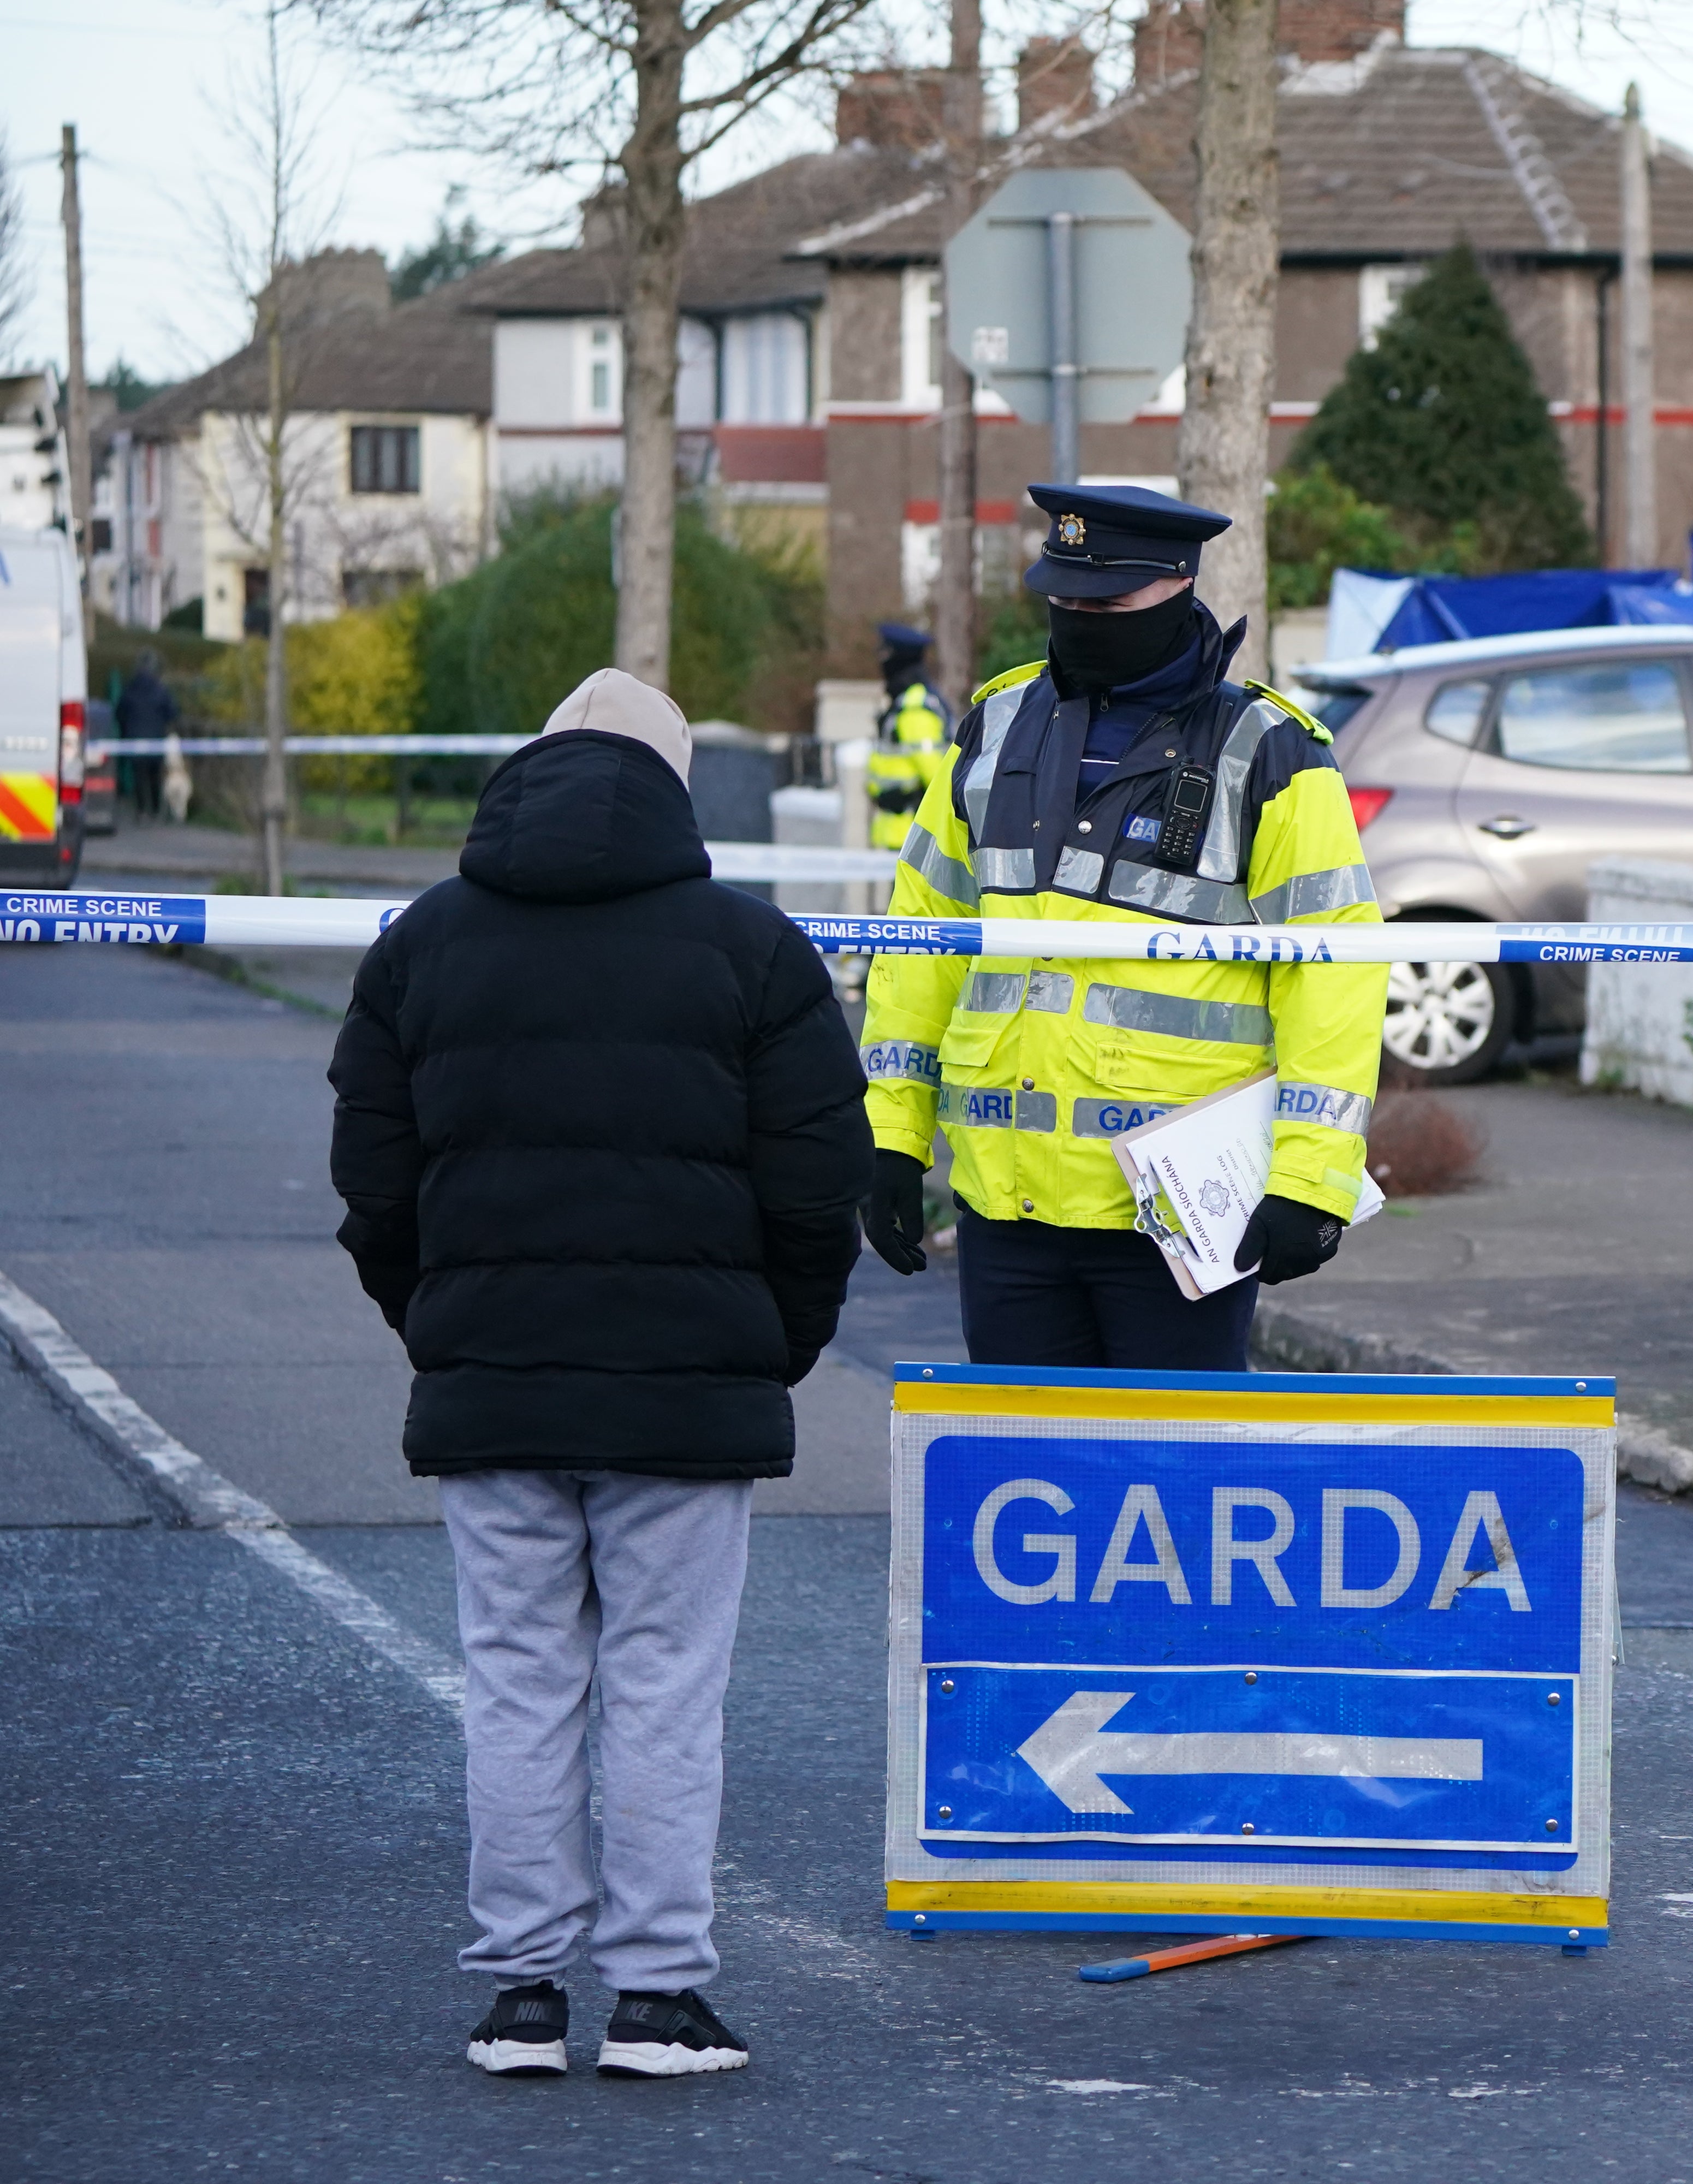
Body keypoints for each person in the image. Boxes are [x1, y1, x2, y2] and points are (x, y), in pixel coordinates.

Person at [327, 668, 872, 2081]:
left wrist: (439, 1321)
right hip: (689, 1395)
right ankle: (655, 1999)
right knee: (663, 1686)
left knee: (516, 1683)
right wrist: (776, 1341)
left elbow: (373, 1182)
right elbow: (819, 1188)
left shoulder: (423, 944)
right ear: (676, 789)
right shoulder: (755, 952)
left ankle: (517, 1995)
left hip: (493, 1386)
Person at [854, 483, 1381, 1369]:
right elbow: (921, 943)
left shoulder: (1268, 751)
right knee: (1021, 1493)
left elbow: (1334, 971)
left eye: (1105, 604)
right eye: (1063, 601)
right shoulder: (994, 729)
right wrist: (891, 1138)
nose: (1079, 620)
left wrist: (1310, 1179)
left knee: (1173, 1491)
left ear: (1177, 586)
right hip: (1006, 1203)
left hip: (1178, 1219)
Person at [864, 621, 947, 853]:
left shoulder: (914, 708)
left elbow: (935, 774)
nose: (881, 660)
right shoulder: (903, 703)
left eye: (885, 653)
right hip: (901, 834)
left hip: (914, 837)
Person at [113, 649, 175, 819]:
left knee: (139, 776)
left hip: (135, 739)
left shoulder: (130, 688)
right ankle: (155, 809)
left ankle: (142, 811)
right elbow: (172, 713)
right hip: (156, 739)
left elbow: (119, 712)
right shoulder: (161, 690)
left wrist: (126, 729)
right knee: (155, 775)